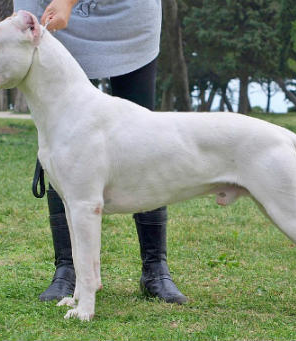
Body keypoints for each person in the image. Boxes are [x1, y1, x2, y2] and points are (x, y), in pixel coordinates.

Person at [13, 0, 187, 304]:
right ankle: (67, 270)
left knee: (144, 141)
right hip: (53, 17)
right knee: (66, 140)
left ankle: (155, 268)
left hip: (126, 17)